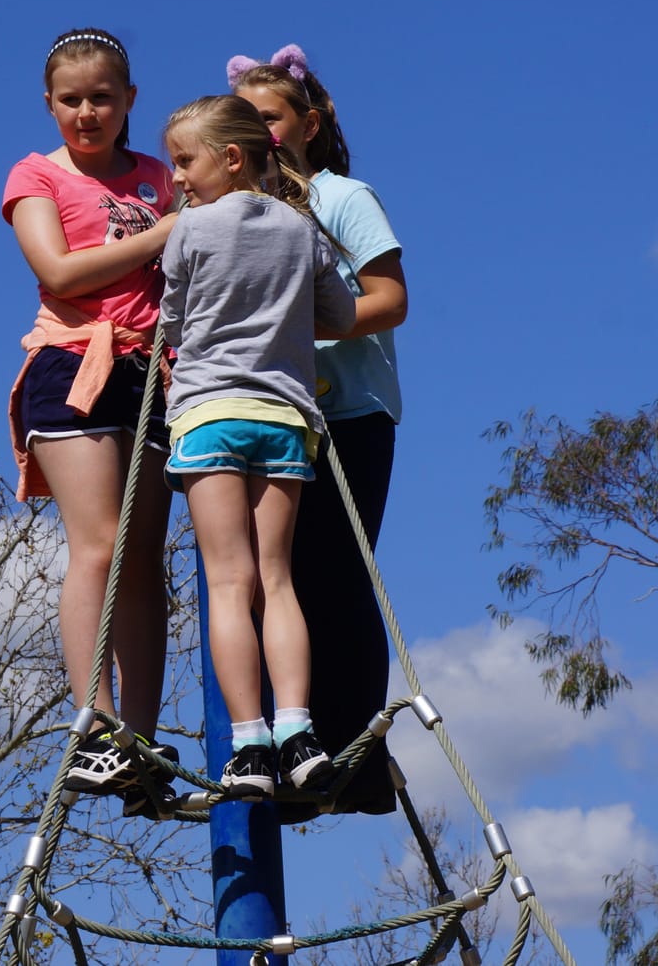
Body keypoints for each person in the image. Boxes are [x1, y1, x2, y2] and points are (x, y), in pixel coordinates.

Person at [159, 95, 358, 798]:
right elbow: (340, 313)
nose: (177, 177)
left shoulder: (190, 229)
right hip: (283, 417)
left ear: (231, 158)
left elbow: (174, 322)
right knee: (277, 578)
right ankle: (298, 729)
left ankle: (248, 744)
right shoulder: (302, 230)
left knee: (227, 583)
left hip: (209, 415)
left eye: (185, 161)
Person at [231, 44, 407, 815]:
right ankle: (290, 744)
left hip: (348, 410)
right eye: (246, 120)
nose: (261, 133)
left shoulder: (340, 196)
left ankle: (357, 751)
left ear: (309, 120)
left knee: (338, 573)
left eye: (271, 117)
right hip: (275, 415)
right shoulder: (237, 216)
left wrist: (308, 326)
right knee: (278, 582)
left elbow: (389, 297)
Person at [4, 27, 177, 807]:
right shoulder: (36, 174)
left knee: (147, 561)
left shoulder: (159, 178)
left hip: (151, 372)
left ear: (128, 101)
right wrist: (173, 230)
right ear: (49, 104)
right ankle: (94, 725)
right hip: (75, 363)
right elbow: (60, 270)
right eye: (71, 100)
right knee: (100, 545)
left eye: (102, 97)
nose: (86, 112)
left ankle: (139, 740)